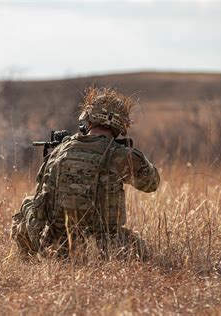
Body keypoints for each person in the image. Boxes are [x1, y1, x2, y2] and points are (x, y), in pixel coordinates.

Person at [11, 86, 160, 260]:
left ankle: (26, 259)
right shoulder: (119, 155)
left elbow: (40, 198)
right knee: (139, 248)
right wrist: (133, 156)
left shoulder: (60, 150)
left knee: (27, 204)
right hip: (104, 249)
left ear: (88, 119)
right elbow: (152, 184)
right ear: (121, 125)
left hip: (55, 247)